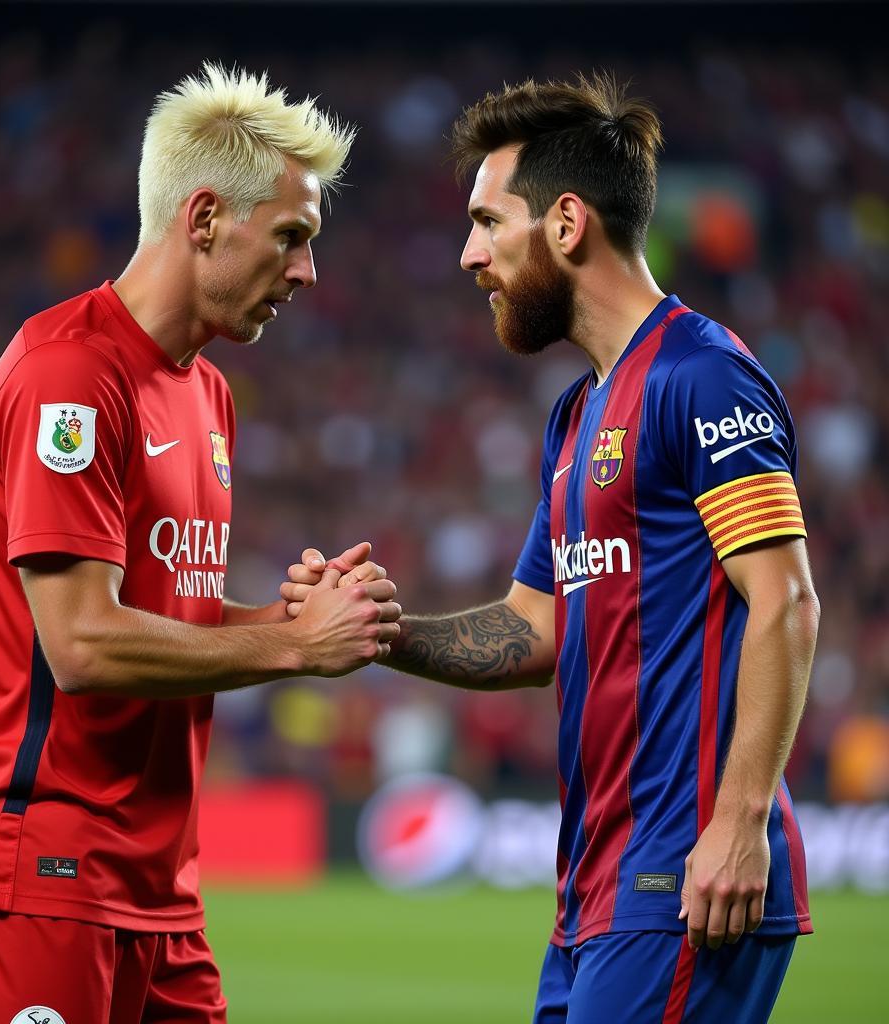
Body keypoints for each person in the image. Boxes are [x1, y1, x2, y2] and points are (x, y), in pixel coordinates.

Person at [283, 73, 820, 1023]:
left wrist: (736, 824)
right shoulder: (577, 417)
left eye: (490, 222)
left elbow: (786, 602)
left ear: (566, 224)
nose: (468, 254)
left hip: (686, 881)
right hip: (595, 894)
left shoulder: (702, 377)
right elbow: (536, 628)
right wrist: (381, 629)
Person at [0, 63, 399, 1024]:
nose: (307, 271)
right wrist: (290, 645)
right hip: (29, 880)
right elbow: (81, 645)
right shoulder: (71, 376)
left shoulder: (206, 392)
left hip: (158, 896)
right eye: (292, 237)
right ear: (204, 216)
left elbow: (169, 628)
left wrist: (292, 618)